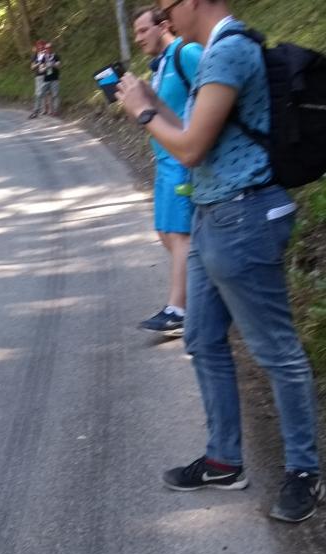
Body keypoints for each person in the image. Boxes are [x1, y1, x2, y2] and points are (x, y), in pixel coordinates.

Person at [117, 0, 322, 522]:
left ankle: (304, 471)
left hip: (246, 215)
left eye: (165, 10)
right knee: (202, 337)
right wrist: (145, 103)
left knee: (275, 350)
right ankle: (225, 460)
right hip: (214, 215)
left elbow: (188, 149)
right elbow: (195, 137)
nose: (163, 21)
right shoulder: (213, 52)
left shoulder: (228, 51)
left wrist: (142, 110)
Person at [131, 6, 202, 336]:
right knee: (165, 232)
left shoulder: (186, 53)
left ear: (163, 26)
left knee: (179, 234)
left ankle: (179, 308)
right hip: (163, 160)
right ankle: (202, 289)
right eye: (136, 33)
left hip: (182, 159)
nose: (138, 38)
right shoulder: (160, 66)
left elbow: (214, 90)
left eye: (143, 31)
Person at [30, 42, 62, 118]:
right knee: (40, 94)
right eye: (47, 48)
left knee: (55, 95)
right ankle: (36, 111)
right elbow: (40, 69)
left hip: (54, 78)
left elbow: (59, 66)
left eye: (49, 48)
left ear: (52, 48)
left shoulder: (55, 56)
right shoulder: (43, 57)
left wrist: (53, 64)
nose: (48, 49)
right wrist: (45, 67)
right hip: (45, 79)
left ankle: (55, 111)